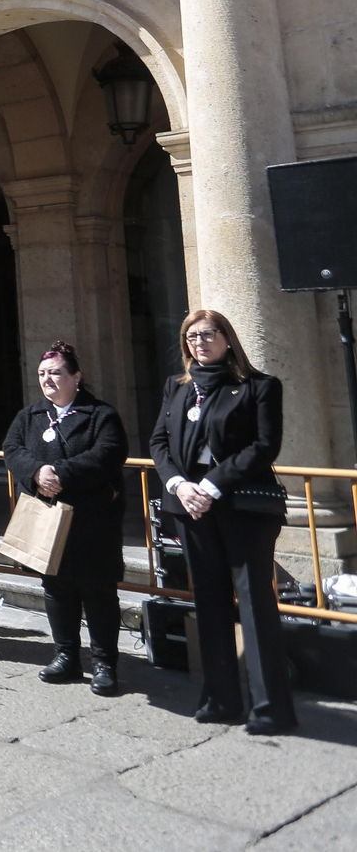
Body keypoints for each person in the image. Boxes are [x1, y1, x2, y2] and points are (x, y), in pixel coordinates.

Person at [151, 309, 297, 734]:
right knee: (210, 603)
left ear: (228, 339)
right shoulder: (177, 388)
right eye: (191, 336)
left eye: (209, 334)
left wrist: (212, 485)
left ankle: (271, 708)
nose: (200, 342)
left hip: (241, 507)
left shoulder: (258, 387)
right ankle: (220, 699)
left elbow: (263, 446)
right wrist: (179, 484)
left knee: (255, 606)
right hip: (190, 507)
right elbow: (159, 441)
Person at [4, 341, 127, 696]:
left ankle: (104, 663)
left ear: (76, 376)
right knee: (56, 587)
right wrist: (36, 473)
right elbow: (13, 450)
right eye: (42, 374)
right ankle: (66, 655)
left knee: (97, 589)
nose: (48, 380)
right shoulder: (30, 415)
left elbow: (109, 452)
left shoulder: (101, 415)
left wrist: (61, 472)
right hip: (47, 517)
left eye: (56, 372)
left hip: (92, 519)